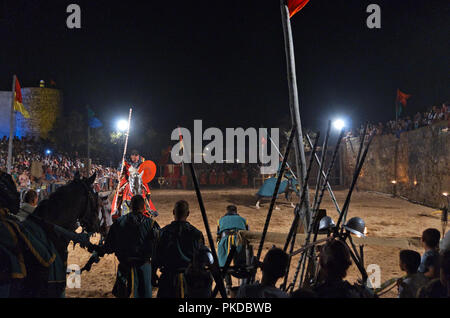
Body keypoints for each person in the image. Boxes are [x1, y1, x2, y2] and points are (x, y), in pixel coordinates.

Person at [95, 195, 160, 298]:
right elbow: (158, 249)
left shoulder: (118, 222)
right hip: (144, 268)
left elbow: (108, 247)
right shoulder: (152, 224)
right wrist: (154, 270)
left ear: (130, 206)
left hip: (125, 268)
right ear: (144, 208)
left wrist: (97, 250)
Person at [154, 200, 205, 298]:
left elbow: (156, 256)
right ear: (188, 213)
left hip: (168, 278)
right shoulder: (196, 234)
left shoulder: (163, 233)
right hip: (190, 280)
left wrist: (153, 273)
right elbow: (201, 259)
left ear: (173, 212)